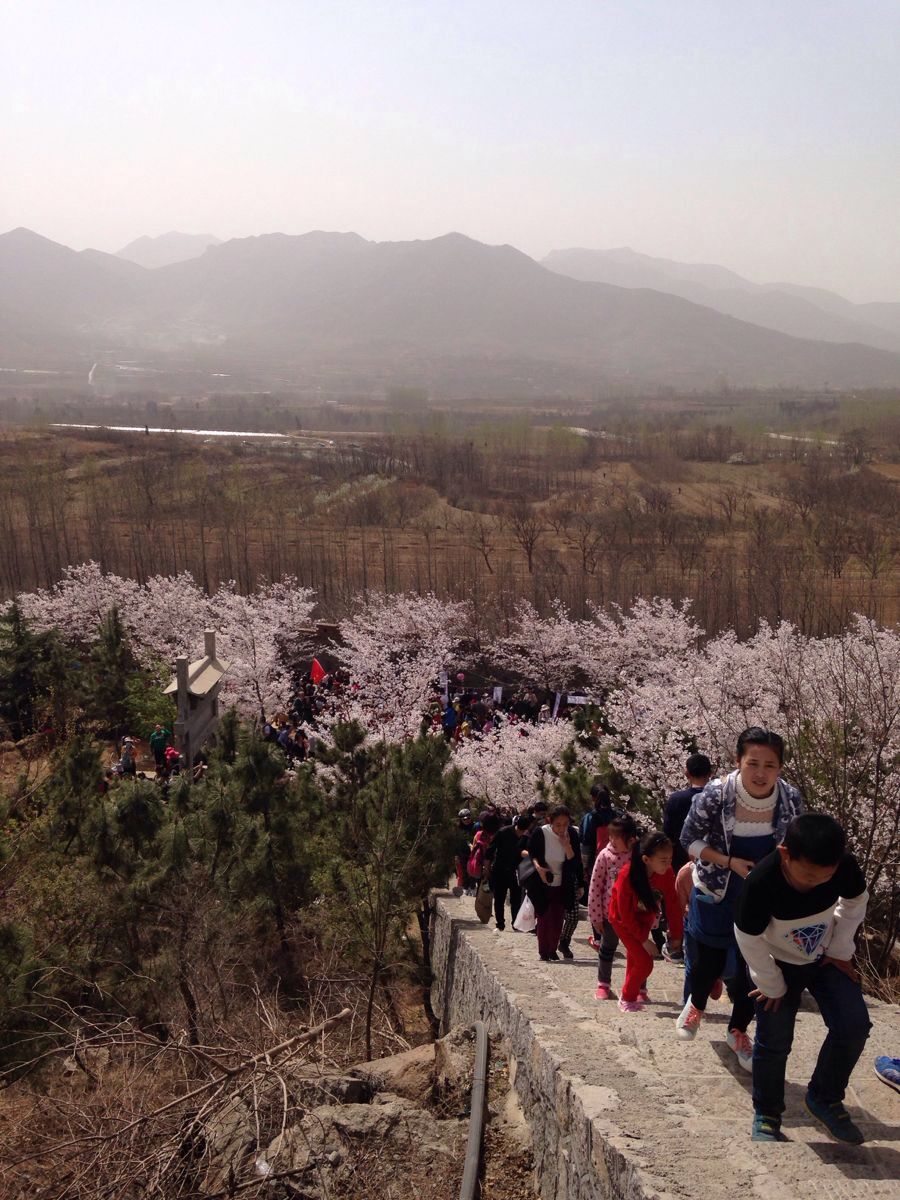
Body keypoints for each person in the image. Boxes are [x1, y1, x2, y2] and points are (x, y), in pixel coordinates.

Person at [735, 813, 870, 1144]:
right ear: (785, 854)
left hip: (823, 955)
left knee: (854, 1024)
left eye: (826, 877)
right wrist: (770, 983)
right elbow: (747, 937)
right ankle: (767, 1113)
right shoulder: (762, 882)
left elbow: (855, 901)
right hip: (777, 964)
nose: (817, 883)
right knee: (774, 1040)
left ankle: (824, 1097)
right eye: (808, 875)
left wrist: (840, 950)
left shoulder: (842, 868)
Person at [676, 728, 803, 1073]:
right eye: (753, 763)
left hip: (763, 893)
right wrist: (728, 861)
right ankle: (696, 1004)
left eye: (770, 765)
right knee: (710, 954)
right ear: (738, 762)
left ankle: (738, 1030)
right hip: (719, 884)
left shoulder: (790, 799)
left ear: (780, 768)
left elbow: (797, 847)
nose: (761, 773)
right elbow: (689, 838)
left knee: (754, 966)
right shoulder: (715, 796)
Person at [608, 830, 683, 1012]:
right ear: (646, 859)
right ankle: (627, 997)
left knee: (636, 957)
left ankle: (631, 996)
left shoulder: (666, 873)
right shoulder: (627, 875)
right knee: (644, 961)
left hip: (645, 918)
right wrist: (643, 939)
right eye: (663, 860)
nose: (668, 864)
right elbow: (624, 913)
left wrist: (677, 935)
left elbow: (672, 904)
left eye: (670, 859)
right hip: (622, 921)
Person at [587, 814, 639, 999]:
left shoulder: (638, 857)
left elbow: (649, 885)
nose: (612, 841)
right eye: (611, 836)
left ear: (631, 840)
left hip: (634, 913)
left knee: (637, 950)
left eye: (617, 837)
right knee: (608, 947)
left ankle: (638, 986)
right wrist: (596, 917)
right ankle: (603, 984)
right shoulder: (605, 855)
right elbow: (596, 886)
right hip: (611, 913)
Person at [526, 805, 583, 962]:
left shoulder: (571, 834)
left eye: (565, 824)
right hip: (542, 881)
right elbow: (532, 853)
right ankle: (543, 951)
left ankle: (552, 949)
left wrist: (566, 845)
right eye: (558, 824)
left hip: (562, 882)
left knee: (558, 918)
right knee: (544, 917)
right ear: (550, 821)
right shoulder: (541, 832)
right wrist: (539, 868)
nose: (562, 828)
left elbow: (575, 861)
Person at [663, 754, 712, 872]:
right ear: (710, 774)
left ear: (687, 774)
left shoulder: (676, 800)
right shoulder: (719, 798)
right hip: (713, 860)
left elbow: (668, 834)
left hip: (682, 860)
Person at [487, 812, 533, 930]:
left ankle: (515, 923)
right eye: (520, 831)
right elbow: (491, 849)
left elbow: (525, 850)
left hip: (516, 871)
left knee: (516, 899)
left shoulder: (526, 836)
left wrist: (527, 854)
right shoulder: (503, 832)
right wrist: (486, 867)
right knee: (499, 898)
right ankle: (500, 923)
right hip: (500, 870)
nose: (521, 833)